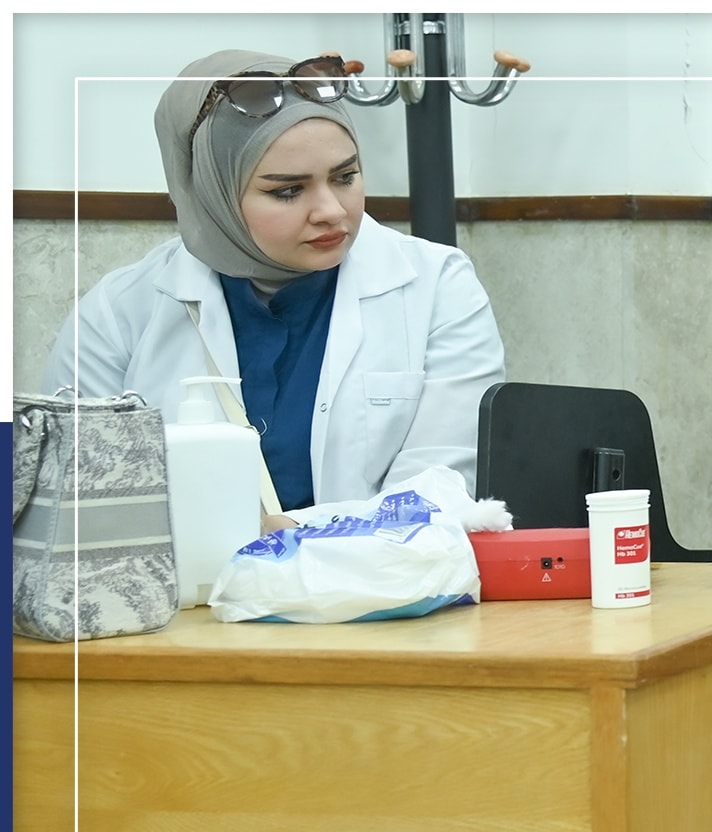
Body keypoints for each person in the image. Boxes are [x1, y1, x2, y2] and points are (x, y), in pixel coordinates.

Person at [45, 49, 505, 521]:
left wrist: (280, 531)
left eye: (345, 177)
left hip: (377, 570)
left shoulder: (439, 287)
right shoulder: (116, 315)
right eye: (287, 191)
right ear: (212, 193)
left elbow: (439, 487)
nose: (331, 211)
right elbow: (80, 507)